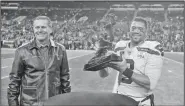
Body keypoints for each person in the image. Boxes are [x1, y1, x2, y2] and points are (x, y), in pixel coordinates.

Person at [99, 17, 163, 106]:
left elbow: (151, 84)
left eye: (140, 29)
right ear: (129, 30)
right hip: (120, 99)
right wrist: (101, 61)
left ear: (146, 33)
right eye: (133, 28)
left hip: (141, 101)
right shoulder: (120, 45)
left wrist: (125, 70)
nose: (136, 31)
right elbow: (103, 75)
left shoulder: (152, 48)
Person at [7, 16, 71, 106]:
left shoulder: (61, 49)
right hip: (29, 103)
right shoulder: (22, 51)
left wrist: (66, 102)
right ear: (33, 29)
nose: (40, 30)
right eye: (37, 27)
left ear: (50, 29)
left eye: (43, 27)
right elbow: (14, 82)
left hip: (54, 103)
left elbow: (65, 79)